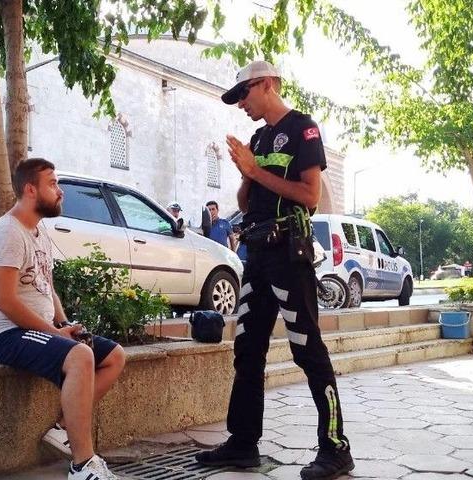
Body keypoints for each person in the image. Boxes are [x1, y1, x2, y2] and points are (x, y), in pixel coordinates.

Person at [195, 60, 353, 480]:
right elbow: (245, 203)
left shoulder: (304, 128)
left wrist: (255, 170)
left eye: (244, 94)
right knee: (247, 348)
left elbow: (310, 195)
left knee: (307, 349)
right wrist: (246, 175)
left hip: (288, 252)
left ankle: (336, 447)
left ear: (267, 84)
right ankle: (243, 443)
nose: (241, 104)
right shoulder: (258, 137)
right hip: (257, 254)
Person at [0, 158, 126, 480]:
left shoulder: (38, 230)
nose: (60, 191)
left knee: (114, 356)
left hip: (38, 329)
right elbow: (5, 302)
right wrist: (56, 334)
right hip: (5, 333)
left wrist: (64, 324)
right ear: (31, 190)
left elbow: (46, 285)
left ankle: (62, 429)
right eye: (53, 184)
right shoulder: (7, 233)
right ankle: (82, 465)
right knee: (81, 356)